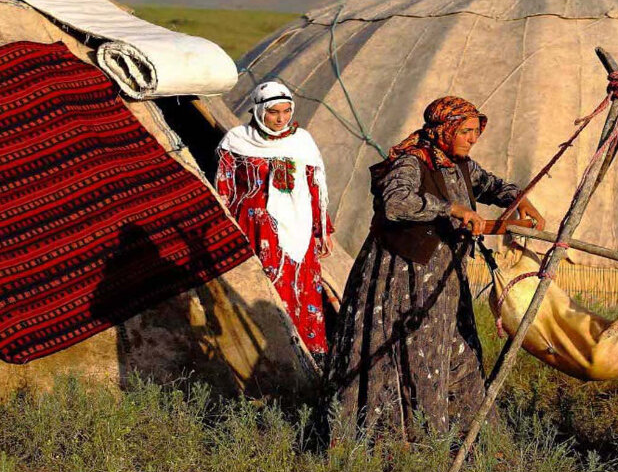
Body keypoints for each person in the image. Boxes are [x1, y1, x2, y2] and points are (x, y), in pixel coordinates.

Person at [326, 95, 544, 439]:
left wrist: (520, 201)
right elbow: (396, 203)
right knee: (412, 347)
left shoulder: (459, 163)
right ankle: (403, 438)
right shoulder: (413, 161)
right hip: (403, 273)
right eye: (466, 131)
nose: (473, 139)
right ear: (445, 129)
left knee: (453, 345)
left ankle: (458, 436)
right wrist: (453, 210)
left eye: (476, 132)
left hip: (443, 273)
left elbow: (490, 185)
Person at [215, 81, 334, 358]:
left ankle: (307, 355)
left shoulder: (301, 141)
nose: (281, 119)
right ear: (258, 111)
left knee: (300, 288)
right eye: (273, 112)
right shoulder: (236, 141)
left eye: (286, 111)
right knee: (262, 287)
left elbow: (315, 186)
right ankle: (265, 355)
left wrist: (322, 230)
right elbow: (224, 188)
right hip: (255, 228)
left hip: (299, 228)